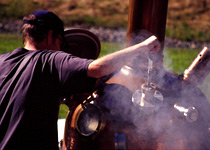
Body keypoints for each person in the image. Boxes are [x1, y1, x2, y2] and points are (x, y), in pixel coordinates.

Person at [0, 10, 160, 150]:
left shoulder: (2, 61)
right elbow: (97, 69)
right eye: (61, 44)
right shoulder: (50, 59)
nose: (60, 49)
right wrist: (142, 47)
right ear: (50, 35)